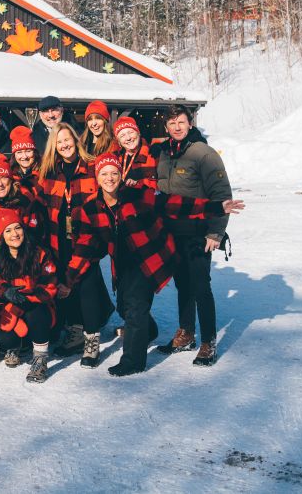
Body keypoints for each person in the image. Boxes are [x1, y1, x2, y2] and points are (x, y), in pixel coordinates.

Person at [65, 153, 244, 376]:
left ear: (121, 175)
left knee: (135, 308)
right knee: (124, 307)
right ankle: (148, 331)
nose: (109, 178)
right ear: (97, 178)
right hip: (122, 265)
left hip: (149, 259)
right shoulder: (90, 209)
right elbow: (84, 246)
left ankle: (133, 361)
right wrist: (69, 279)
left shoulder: (139, 195)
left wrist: (216, 207)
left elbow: (175, 203)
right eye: (104, 173)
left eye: (114, 173)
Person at [153, 105, 234, 366]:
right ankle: (186, 333)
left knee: (200, 286)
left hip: (199, 233)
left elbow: (222, 194)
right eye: (172, 123)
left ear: (190, 123)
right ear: (165, 126)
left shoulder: (204, 154)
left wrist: (216, 232)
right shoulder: (164, 152)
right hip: (172, 232)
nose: (176, 127)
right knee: (183, 285)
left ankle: (208, 341)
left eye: (181, 122)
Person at [37, 122, 107, 364]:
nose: (64, 145)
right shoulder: (48, 173)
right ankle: (76, 331)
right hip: (59, 240)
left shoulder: (91, 168)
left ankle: (91, 340)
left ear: (76, 141)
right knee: (66, 287)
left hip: (88, 238)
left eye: (68, 139)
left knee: (87, 285)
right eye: (59, 142)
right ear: (53, 147)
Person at [0, 207, 59, 383]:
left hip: (38, 307)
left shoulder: (40, 253)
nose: (14, 234)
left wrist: (27, 298)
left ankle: (40, 359)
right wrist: (7, 299)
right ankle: (16, 346)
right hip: (10, 310)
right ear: (1, 235)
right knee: (4, 337)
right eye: (8, 230)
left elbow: (50, 286)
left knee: (36, 313)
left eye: (17, 228)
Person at [0, 153, 48, 252]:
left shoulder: (24, 198)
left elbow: (34, 231)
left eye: (4, 177)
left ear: (10, 179)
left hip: (25, 250)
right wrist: (4, 251)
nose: (0, 184)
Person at [114, 117, 157, 190]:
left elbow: (162, 185)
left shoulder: (154, 154)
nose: (128, 138)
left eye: (131, 132)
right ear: (119, 142)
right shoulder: (116, 158)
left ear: (138, 133)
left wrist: (138, 183)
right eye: (122, 135)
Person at [8, 126, 41, 195]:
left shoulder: (44, 172)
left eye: (28, 151)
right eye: (19, 152)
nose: (24, 156)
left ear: (34, 152)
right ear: (14, 155)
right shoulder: (10, 176)